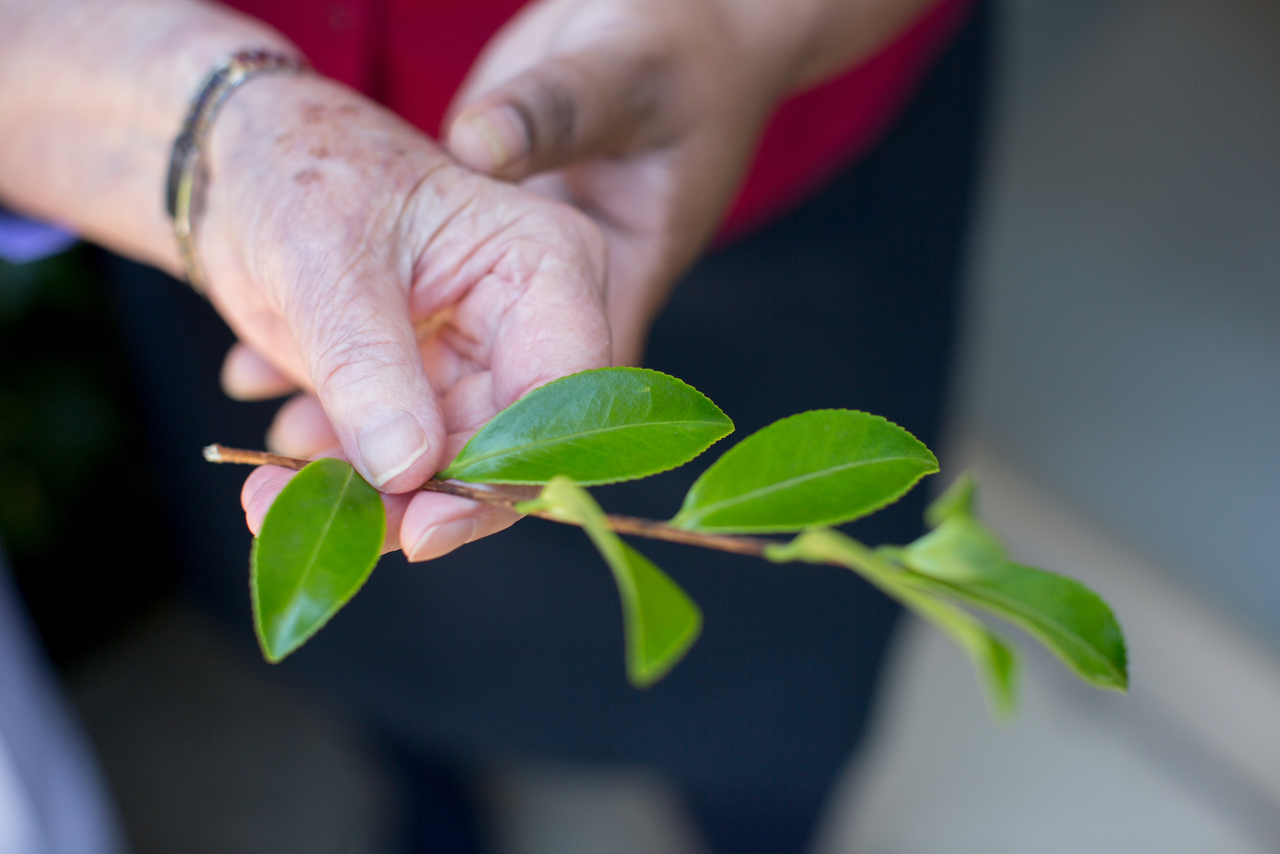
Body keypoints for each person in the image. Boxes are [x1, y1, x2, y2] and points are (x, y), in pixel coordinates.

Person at [1, 0, 990, 850]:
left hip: (725, 162)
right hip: (242, 231)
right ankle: (428, 800)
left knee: (770, 704)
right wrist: (201, 132)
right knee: (381, 633)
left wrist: (734, 25)